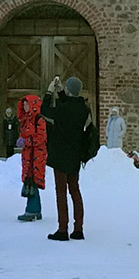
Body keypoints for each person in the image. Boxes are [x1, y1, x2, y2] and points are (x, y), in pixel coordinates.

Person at [42, 75, 93, 241]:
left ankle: (62, 229)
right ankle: (78, 229)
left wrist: (50, 92)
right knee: (75, 191)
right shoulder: (83, 109)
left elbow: (44, 110)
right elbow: (70, 105)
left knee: (61, 192)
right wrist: (61, 92)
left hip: (60, 155)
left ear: (69, 90)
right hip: (75, 154)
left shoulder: (63, 110)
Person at [16, 94, 46, 222]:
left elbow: (41, 138)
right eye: (24, 104)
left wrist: (26, 141)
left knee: (33, 180)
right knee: (29, 180)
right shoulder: (25, 119)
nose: (25, 106)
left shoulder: (39, 120)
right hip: (28, 155)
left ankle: (32, 210)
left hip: (36, 155)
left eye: (27, 104)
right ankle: (35, 209)